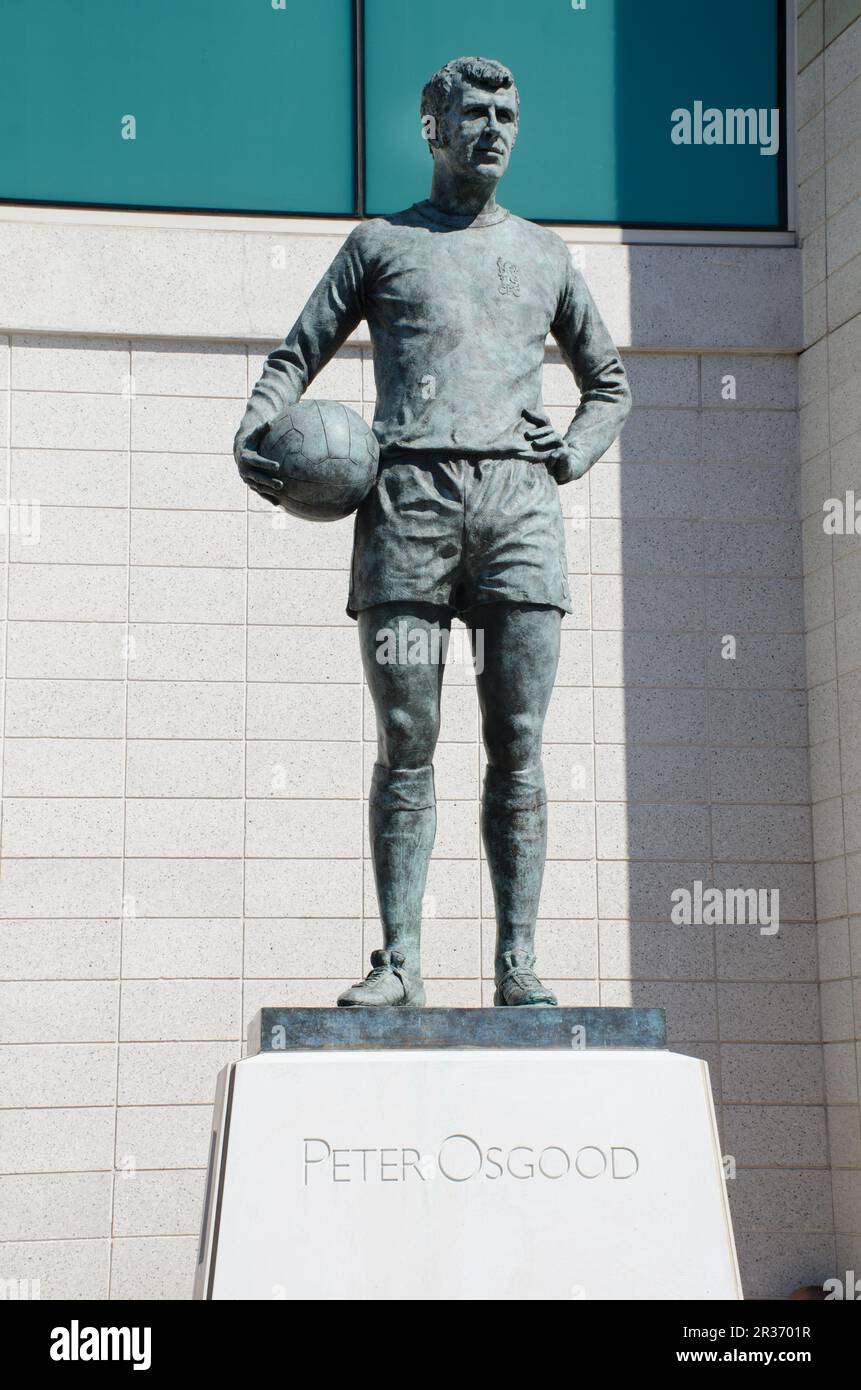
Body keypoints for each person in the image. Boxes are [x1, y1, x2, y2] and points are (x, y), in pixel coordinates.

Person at [234, 56, 631, 1008]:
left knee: (519, 737)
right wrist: (256, 427)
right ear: (432, 125)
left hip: (515, 511)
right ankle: (401, 960)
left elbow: (609, 383)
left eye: (508, 114)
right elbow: (297, 355)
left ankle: (516, 964)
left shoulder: (544, 254)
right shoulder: (379, 244)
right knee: (408, 734)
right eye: (474, 113)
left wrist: (570, 452)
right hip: (406, 505)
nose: (493, 128)